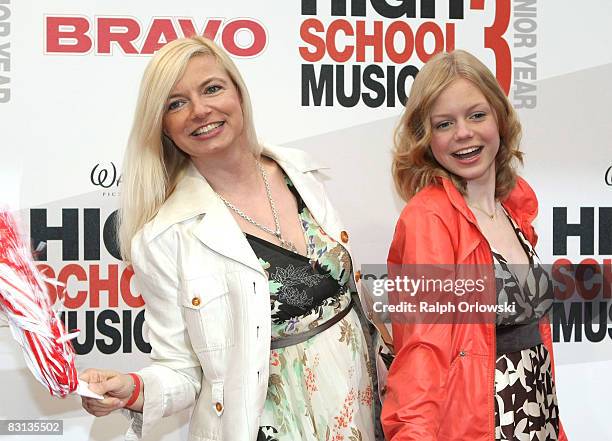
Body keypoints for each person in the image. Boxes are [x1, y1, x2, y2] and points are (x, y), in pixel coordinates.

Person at [80, 36, 382, 441]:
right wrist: (133, 389)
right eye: (176, 103)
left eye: (211, 89)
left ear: (239, 93)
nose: (200, 110)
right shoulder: (163, 237)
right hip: (269, 425)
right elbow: (181, 369)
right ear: (164, 127)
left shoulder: (302, 174)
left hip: (363, 403)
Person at [381, 50, 567, 440]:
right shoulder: (429, 220)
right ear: (426, 137)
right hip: (479, 428)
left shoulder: (514, 208)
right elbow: (421, 350)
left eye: (476, 115)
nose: (463, 133)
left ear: (500, 117)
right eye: (444, 123)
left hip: (538, 421)